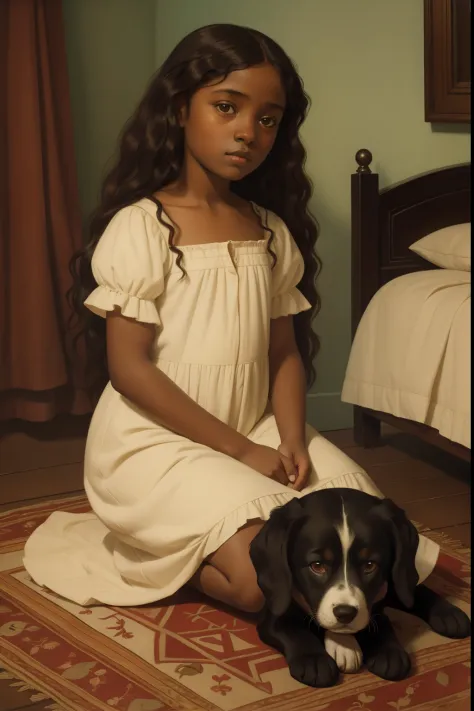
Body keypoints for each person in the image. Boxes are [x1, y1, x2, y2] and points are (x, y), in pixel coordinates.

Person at [23, 24, 439, 612]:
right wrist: (242, 454)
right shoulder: (143, 226)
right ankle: (182, 559)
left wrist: (292, 437)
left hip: (257, 428)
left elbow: (285, 353)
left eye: (268, 119)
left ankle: (217, 527)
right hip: (154, 442)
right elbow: (130, 369)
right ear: (179, 108)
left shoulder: (269, 231)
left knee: (374, 534)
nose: (249, 131)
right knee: (264, 583)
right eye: (227, 107)